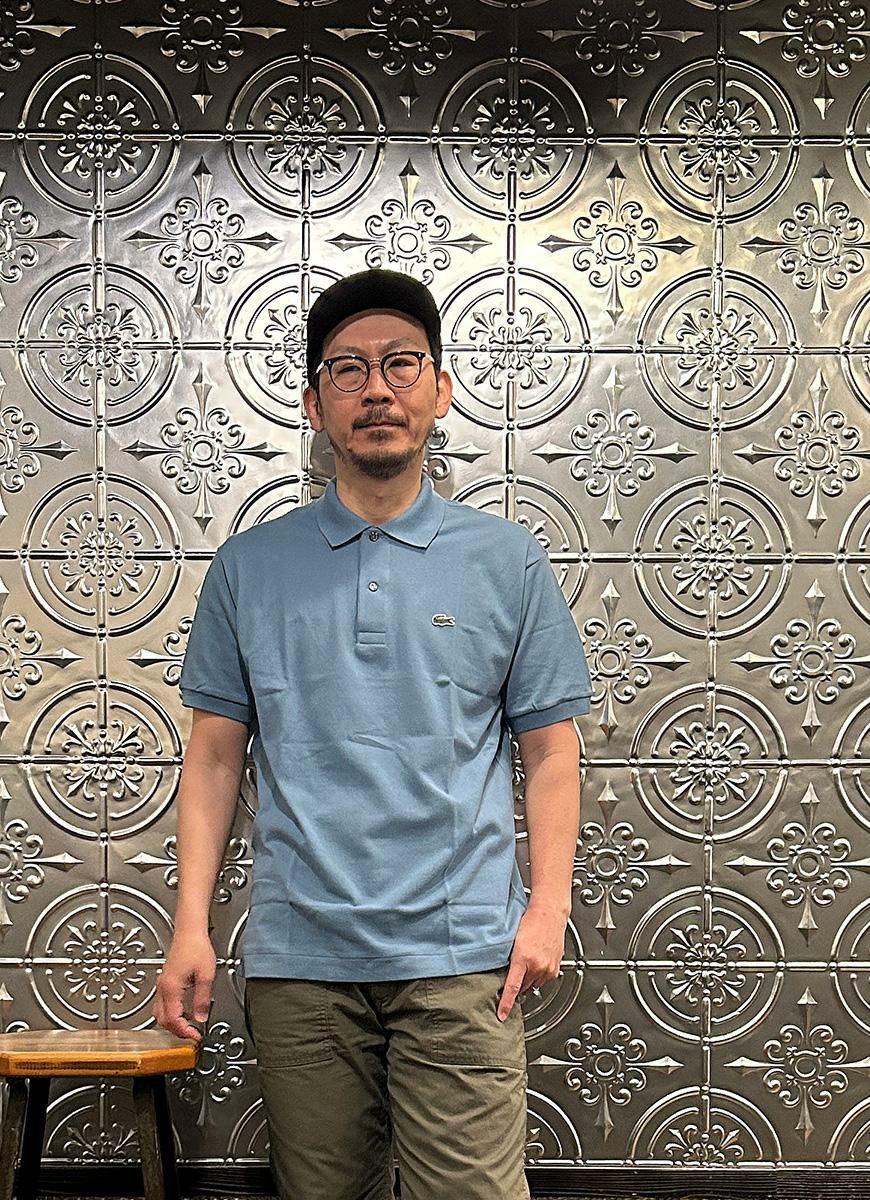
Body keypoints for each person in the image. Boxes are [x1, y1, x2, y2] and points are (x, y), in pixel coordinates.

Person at [155, 268, 591, 1200]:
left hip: (464, 960)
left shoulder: (507, 561)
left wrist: (547, 908)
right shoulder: (249, 566)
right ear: (315, 405)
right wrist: (191, 925)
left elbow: (552, 750)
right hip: (300, 961)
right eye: (348, 370)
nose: (378, 390)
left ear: (441, 389)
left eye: (402, 364)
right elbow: (215, 756)